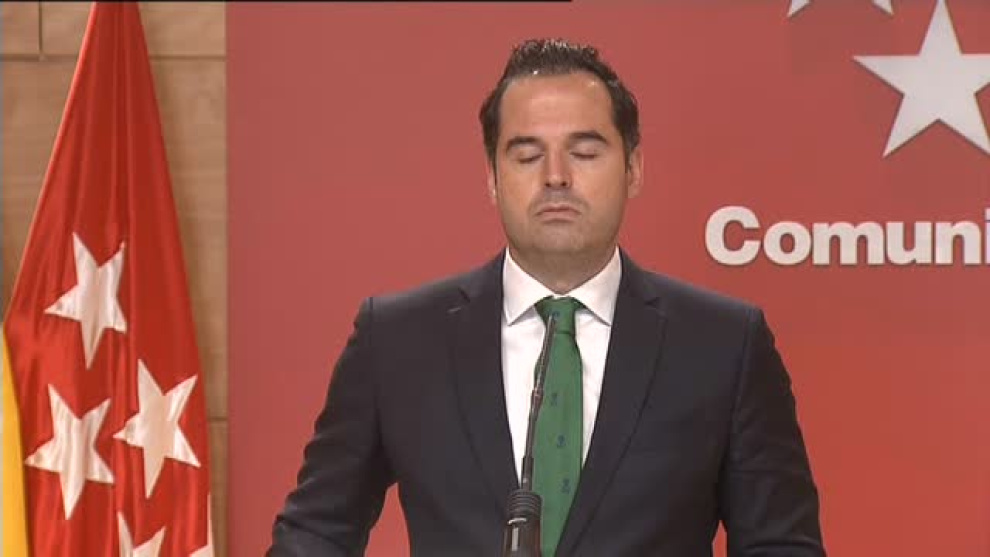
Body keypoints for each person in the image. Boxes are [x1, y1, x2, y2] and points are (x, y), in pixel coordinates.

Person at [268, 38, 825, 556]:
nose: (556, 177)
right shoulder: (397, 341)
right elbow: (314, 535)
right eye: (527, 155)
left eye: (584, 152)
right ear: (492, 177)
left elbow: (781, 546)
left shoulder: (724, 346)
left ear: (633, 168)